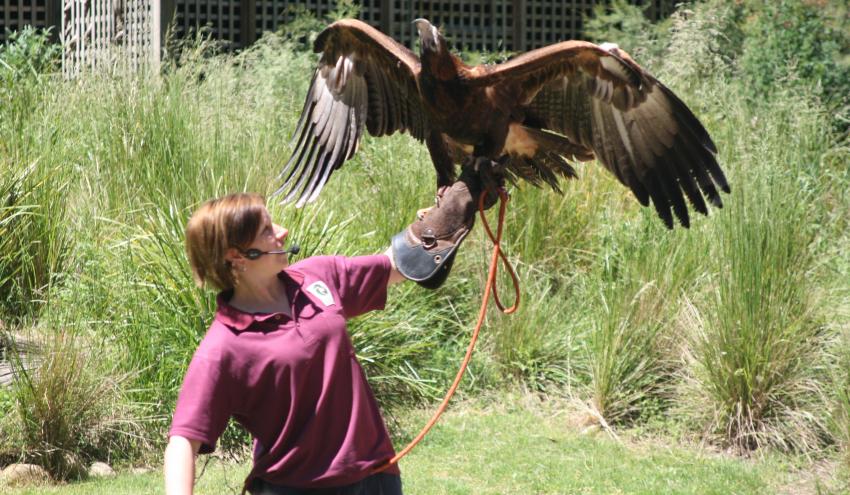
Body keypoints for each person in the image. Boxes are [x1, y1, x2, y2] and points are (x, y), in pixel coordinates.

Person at [164, 180, 482, 495]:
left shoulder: (317, 276)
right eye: (266, 230)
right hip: (299, 487)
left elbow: (395, 266)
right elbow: (183, 440)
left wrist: (445, 214)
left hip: (377, 476)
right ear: (237, 256)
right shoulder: (223, 346)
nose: (282, 231)